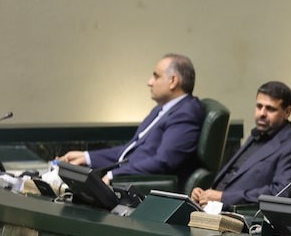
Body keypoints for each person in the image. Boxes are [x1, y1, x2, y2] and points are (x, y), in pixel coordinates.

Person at [59, 54, 204, 183]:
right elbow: (128, 152)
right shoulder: (161, 109)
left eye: (156, 76)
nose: (149, 82)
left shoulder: (186, 113)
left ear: (173, 81)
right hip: (128, 177)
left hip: (144, 187)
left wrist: (113, 175)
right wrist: (86, 157)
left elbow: (164, 161)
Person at [191, 81, 291, 207]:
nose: (262, 114)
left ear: (287, 112)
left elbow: (279, 193)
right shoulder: (258, 134)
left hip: (241, 216)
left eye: (270, 109)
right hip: (213, 208)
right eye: (259, 106)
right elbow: (233, 177)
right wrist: (204, 194)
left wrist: (223, 197)